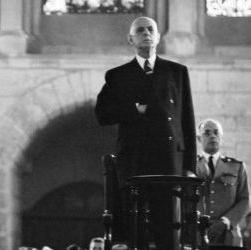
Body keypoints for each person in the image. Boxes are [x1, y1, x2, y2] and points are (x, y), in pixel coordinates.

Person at [95, 16, 196, 249]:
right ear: (131, 39)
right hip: (135, 160)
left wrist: (189, 165)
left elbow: (187, 120)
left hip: (169, 161)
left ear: (159, 36)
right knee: (137, 228)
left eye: (151, 29)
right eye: (140, 30)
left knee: (169, 229)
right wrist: (133, 110)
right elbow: (102, 115)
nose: (146, 33)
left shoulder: (177, 72)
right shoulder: (118, 75)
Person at [196, 119, 250, 247]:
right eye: (207, 133)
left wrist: (225, 222)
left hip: (228, 234)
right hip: (196, 233)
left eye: (216, 132)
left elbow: (244, 200)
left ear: (222, 137)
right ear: (199, 139)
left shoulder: (236, 167)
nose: (212, 136)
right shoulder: (191, 167)